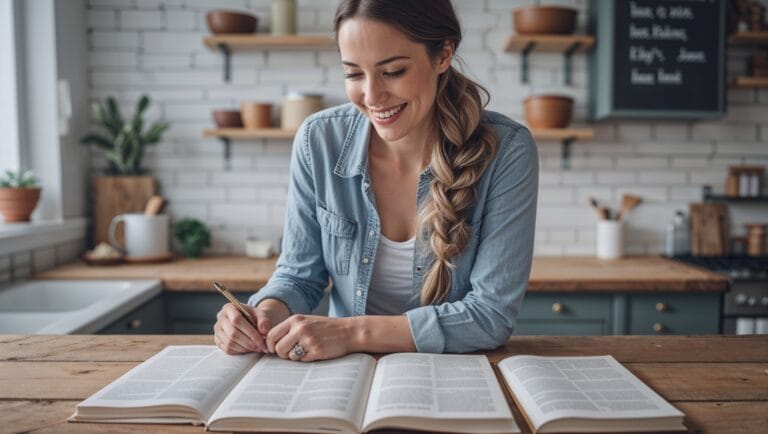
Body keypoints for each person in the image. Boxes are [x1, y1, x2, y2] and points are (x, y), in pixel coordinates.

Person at [214, 0, 538, 362]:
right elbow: (299, 275)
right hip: (342, 371)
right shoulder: (318, 141)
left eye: (394, 71)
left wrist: (352, 332)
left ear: (444, 54)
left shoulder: (507, 150)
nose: (371, 96)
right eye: (354, 74)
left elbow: (490, 316)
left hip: (453, 374)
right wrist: (263, 314)